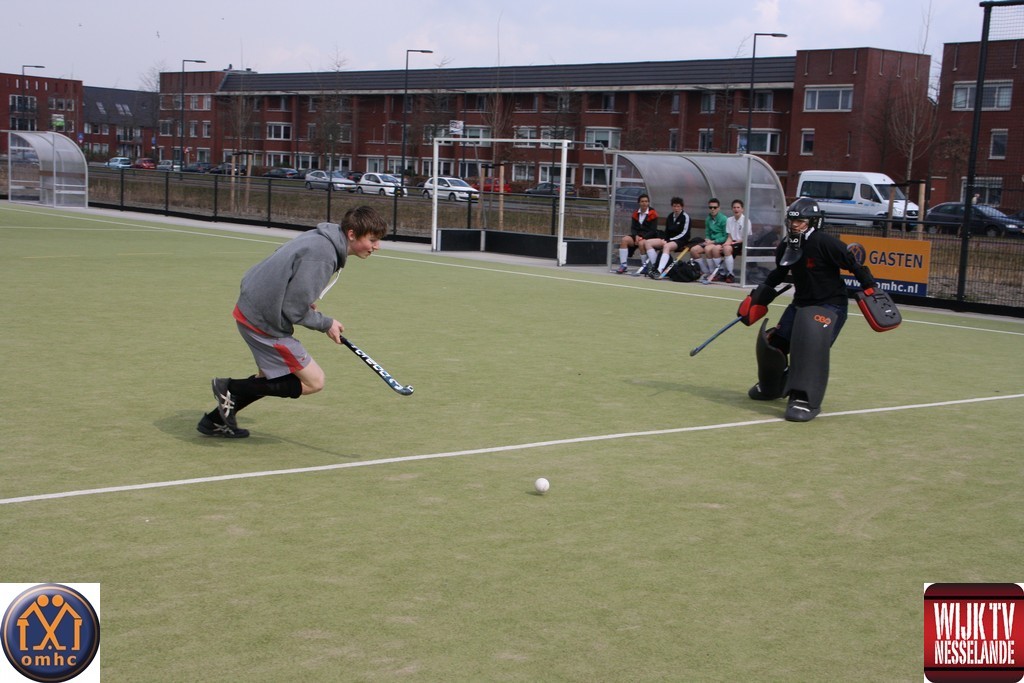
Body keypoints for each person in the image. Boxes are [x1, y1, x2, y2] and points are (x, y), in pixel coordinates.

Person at [198, 206, 390, 438]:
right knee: (314, 381)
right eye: (372, 240)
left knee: (268, 378)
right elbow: (294, 309)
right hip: (263, 321)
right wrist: (326, 323)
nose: (376, 246)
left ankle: (213, 421)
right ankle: (230, 387)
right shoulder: (324, 255)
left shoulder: (321, 238)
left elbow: (284, 268)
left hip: (252, 308)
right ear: (351, 234)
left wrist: (301, 301)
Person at [736, 197, 898, 422]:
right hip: (800, 304)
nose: (794, 226)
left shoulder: (826, 243)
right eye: (792, 221)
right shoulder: (786, 246)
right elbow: (778, 274)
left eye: (800, 222)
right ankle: (771, 385)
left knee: (808, 348)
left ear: (813, 222)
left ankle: (804, 399)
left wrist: (871, 289)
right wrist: (758, 297)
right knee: (773, 344)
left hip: (830, 305)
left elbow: (854, 266)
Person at [640, 197, 692, 279]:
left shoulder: (685, 217)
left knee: (666, 246)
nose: (676, 208)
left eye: (678, 206)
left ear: (682, 207)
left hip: (681, 241)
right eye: (674, 206)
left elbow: (684, 234)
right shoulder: (670, 216)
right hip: (669, 240)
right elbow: (667, 231)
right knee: (647, 242)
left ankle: (659, 271)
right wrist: (664, 239)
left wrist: (669, 240)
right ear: (672, 207)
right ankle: (655, 266)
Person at [616, 193, 659, 275]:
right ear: (639, 203)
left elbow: (653, 230)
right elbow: (633, 228)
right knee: (624, 240)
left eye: (646, 201)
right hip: (637, 236)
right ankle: (623, 265)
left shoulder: (653, 213)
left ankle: (645, 266)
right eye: (642, 201)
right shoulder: (636, 213)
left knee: (641, 243)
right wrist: (636, 236)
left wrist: (642, 238)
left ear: (648, 202)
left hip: (649, 237)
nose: (644, 203)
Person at [689, 198, 728, 284]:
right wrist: (707, 239)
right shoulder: (708, 219)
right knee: (693, 250)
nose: (712, 209)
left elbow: (725, 237)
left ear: (719, 208)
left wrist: (713, 241)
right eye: (710, 207)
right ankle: (706, 271)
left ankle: (718, 273)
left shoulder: (724, 219)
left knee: (708, 248)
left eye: (715, 207)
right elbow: (707, 233)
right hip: (710, 242)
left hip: (719, 242)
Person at [718, 199, 750, 283]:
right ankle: (721, 274)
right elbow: (729, 237)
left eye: (738, 207)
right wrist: (725, 244)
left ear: (742, 209)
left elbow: (747, 238)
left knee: (727, 249)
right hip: (733, 243)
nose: (736, 209)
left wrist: (736, 242)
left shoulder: (746, 221)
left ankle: (730, 274)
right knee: (718, 249)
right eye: (734, 207)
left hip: (742, 243)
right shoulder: (729, 220)